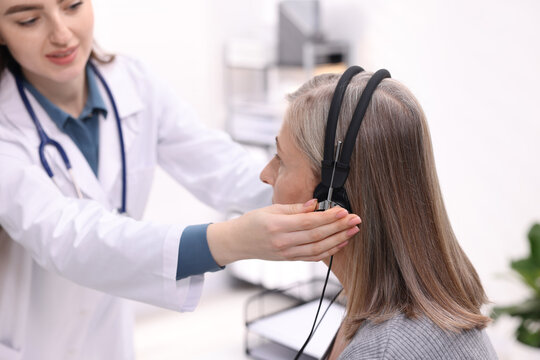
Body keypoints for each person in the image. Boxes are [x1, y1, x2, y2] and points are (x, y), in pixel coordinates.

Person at [0, 0, 362, 358]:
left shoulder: (132, 82)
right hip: (30, 340)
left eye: (73, 6)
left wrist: (318, 194)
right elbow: (69, 238)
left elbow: (217, 162)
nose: (61, 34)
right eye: (29, 20)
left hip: (107, 337)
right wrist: (230, 240)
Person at [260, 70, 498, 359]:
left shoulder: (385, 351)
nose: (265, 174)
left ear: (332, 199)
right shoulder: (380, 310)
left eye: (281, 159)